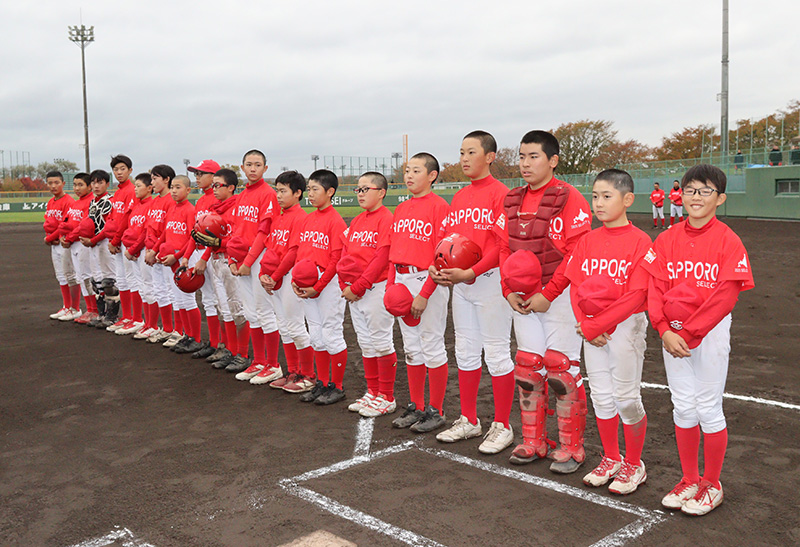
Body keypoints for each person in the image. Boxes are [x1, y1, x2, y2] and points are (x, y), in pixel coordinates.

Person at [642, 164, 754, 516]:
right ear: (682, 194)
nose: (696, 197)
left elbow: (726, 296)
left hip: (707, 332)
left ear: (720, 198)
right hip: (672, 332)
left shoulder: (728, 239)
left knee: (707, 406)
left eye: (706, 191)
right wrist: (662, 329)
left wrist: (687, 333)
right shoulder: (667, 238)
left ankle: (712, 483)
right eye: (691, 190)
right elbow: (655, 287)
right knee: (683, 405)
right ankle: (690, 477)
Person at [496, 130, 592, 473]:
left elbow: (578, 253)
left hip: (560, 295)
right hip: (523, 297)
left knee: (561, 369)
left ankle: (572, 447)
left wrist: (548, 294)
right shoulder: (511, 199)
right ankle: (534, 440)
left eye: (533, 156)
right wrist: (508, 289)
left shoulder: (569, 198)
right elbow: (504, 247)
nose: (525, 163)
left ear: (552, 160)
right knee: (527, 367)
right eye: (521, 156)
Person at [565, 169, 651, 494]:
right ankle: (612, 457)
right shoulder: (587, 240)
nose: (598, 203)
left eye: (607, 196)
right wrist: (587, 324)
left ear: (627, 199)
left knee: (627, 398)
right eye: (595, 196)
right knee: (601, 396)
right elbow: (575, 287)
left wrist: (596, 325)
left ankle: (634, 463)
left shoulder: (641, 241)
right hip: (592, 326)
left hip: (624, 326)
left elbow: (637, 295)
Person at [431, 130, 516, 455]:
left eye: (470, 152)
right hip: (461, 283)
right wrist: (437, 265)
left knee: (495, 353)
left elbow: (499, 245)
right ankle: (469, 419)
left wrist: (470, 272)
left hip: (489, 281)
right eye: (461, 153)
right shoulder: (461, 196)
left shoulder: (501, 194)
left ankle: (502, 425)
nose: (464, 159)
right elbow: (449, 242)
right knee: (465, 350)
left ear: (490, 156)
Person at [387, 152, 451, 433]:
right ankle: (416, 405)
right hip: (402, 278)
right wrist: (391, 285)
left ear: (432, 176)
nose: (409, 175)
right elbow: (392, 254)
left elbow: (441, 256)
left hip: (428, 279)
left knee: (432, 344)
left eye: (416, 170)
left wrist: (424, 293)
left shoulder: (440, 207)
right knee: (411, 348)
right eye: (407, 171)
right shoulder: (401, 209)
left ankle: (435, 410)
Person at [339, 172, 397, 417]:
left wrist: (359, 286)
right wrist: (346, 284)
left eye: (366, 189)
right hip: (356, 290)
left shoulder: (386, 218)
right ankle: (372, 392)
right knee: (365, 342)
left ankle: (387, 396)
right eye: (358, 190)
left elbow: (381, 256)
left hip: (375, 288)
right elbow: (345, 256)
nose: (361, 193)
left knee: (381, 342)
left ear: (381, 192)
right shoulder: (358, 220)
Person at [292, 169, 348, 405]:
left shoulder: (335, 221)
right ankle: (322, 383)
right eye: (309, 188)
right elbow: (301, 253)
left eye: (315, 189)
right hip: (309, 284)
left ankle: (337, 386)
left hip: (328, 284)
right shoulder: (308, 218)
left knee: (331, 334)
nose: (310, 194)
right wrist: (297, 280)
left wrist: (320, 285)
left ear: (330, 191)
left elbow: (337, 260)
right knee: (316, 334)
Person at [256, 170, 314, 389]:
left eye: (283, 191)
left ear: (298, 193)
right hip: (275, 277)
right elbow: (271, 249)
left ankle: (308, 375)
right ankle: (293, 372)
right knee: (284, 326)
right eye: (277, 190)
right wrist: (264, 273)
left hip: (290, 276)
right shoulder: (279, 217)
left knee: (296, 326)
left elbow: (293, 251)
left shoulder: (301, 218)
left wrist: (275, 276)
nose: (278, 195)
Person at [226, 150, 280, 374]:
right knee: (250, 312)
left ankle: (273, 365)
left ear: (265, 169)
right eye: (249, 164)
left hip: (258, 259)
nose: (253, 168)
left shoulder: (267, 193)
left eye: (258, 165)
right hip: (242, 258)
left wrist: (248, 261)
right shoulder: (242, 195)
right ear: (242, 167)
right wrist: (231, 258)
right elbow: (235, 230)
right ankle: (258, 361)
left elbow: (264, 232)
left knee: (264, 311)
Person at [178, 159, 226, 357]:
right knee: (207, 299)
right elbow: (194, 233)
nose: (196, 177)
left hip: (213, 254)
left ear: (213, 177)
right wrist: (187, 256)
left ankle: (222, 345)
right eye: (195, 174)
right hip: (199, 252)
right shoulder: (200, 201)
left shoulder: (217, 199)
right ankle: (214, 343)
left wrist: (204, 258)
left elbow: (218, 237)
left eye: (200, 174)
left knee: (221, 301)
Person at [154, 175, 199, 350]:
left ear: (188, 190)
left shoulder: (189, 209)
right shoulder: (172, 208)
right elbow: (166, 233)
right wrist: (158, 250)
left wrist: (179, 256)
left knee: (187, 299)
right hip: (171, 259)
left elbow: (192, 238)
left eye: (178, 187)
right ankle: (186, 335)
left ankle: (194, 338)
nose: (173, 190)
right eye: (172, 187)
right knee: (178, 300)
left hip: (184, 258)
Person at [104, 155, 139, 333]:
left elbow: (126, 219)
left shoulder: (131, 190)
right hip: (117, 241)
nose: (119, 172)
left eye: (122, 169)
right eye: (116, 169)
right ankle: (127, 317)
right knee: (123, 281)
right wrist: (112, 240)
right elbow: (113, 218)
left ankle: (137, 318)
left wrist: (116, 240)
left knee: (132, 280)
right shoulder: (118, 192)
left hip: (126, 241)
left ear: (130, 170)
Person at [142, 165, 177, 343]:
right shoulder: (155, 201)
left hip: (164, 252)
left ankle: (176, 330)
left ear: (167, 179)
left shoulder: (171, 200)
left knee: (171, 291)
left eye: (155, 178)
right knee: (159, 290)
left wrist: (155, 249)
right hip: (153, 251)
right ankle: (167, 328)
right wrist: (149, 248)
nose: (152, 181)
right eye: (151, 178)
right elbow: (150, 227)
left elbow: (167, 231)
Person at [79, 169, 118, 329]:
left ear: (107, 184)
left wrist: (93, 240)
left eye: (100, 182)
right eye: (93, 182)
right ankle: (101, 314)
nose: (96, 185)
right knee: (96, 281)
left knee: (109, 281)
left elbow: (109, 227)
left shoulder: (110, 201)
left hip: (103, 243)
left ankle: (112, 316)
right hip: (93, 244)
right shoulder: (93, 202)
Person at [119, 173, 155, 336]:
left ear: (149, 188)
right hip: (134, 252)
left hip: (142, 251)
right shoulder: (137, 206)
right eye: (134, 185)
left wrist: (133, 249)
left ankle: (152, 324)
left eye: (138, 185)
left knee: (149, 288)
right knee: (140, 287)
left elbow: (146, 232)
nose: (135, 189)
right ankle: (143, 322)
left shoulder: (151, 205)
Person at [59, 172, 96, 322]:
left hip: (82, 244)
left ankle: (94, 309)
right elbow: (66, 221)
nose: (77, 188)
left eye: (81, 185)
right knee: (81, 276)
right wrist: (63, 235)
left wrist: (68, 237)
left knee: (87, 276)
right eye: (74, 185)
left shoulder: (90, 202)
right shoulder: (76, 203)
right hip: (73, 244)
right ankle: (89, 309)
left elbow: (83, 226)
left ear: (89, 186)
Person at [43, 171, 79, 320]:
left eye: (56, 182)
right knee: (60, 275)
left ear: (63, 184)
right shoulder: (51, 202)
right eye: (50, 183)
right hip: (55, 243)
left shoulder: (68, 201)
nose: (53, 186)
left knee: (70, 275)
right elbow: (48, 222)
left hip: (65, 243)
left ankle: (75, 308)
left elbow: (65, 225)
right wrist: (51, 237)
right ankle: (66, 306)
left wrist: (49, 238)